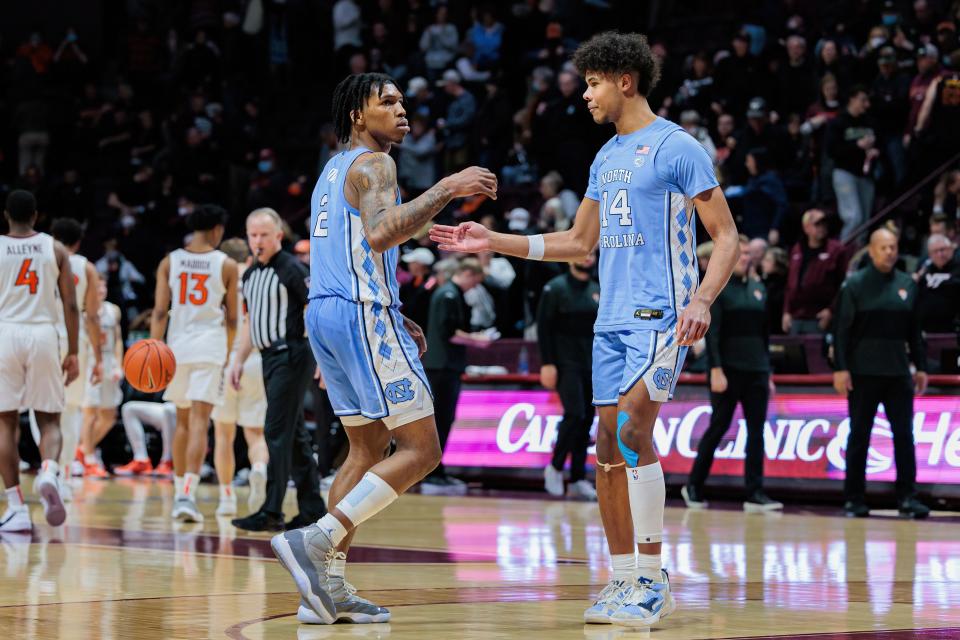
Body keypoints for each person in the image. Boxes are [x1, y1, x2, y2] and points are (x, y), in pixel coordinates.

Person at [431, 33, 739, 628]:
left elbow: (726, 236)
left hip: (663, 316)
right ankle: (623, 578)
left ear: (625, 81)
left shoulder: (679, 148)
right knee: (604, 450)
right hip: (611, 321)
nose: (585, 94)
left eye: (593, 83)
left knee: (629, 431)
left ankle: (653, 578)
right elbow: (578, 242)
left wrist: (703, 298)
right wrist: (494, 241)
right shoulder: (605, 157)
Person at [271, 72, 496, 626]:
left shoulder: (332, 168)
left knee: (365, 453)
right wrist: (448, 187)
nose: (402, 111)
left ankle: (324, 590)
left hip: (326, 314)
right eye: (386, 102)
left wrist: (399, 312)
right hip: (357, 313)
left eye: (402, 101)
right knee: (423, 449)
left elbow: (350, 249)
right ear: (356, 115)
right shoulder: (377, 164)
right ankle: (316, 541)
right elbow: (378, 234)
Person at [229, 209, 326, 532]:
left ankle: (271, 510)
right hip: (268, 358)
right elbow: (250, 322)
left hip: (294, 354)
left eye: (264, 235)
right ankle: (312, 508)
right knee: (295, 434)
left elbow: (314, 314)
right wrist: (238, 359)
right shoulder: (249, 275)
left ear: (278, 236)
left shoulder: (293, 269)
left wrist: (324, 359)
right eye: (252, 235)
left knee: (275, 430)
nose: (257, 241)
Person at [833, 229, 929, 519]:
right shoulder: (855, 285)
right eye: (884, 247)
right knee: (859, 435)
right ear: (872, 251)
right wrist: (840, 368)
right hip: (863, 373)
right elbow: (840, 331)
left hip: (898, 373)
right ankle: (854, 499)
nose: (890, 252)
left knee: (904, 435)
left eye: (893, 246)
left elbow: (915, 331)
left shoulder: (907, 284)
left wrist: (921, 366)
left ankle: (907, 498)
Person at [151, 204, 238, 523]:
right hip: (210, 347)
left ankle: (179, 495)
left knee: (183, 421)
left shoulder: (169, 261)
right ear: (216, 229)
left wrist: (154, 347)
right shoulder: (226, 263)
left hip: (176, 348)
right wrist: (228, 353)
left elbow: (160, 312)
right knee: (202, 422)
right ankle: (188, 492)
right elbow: (231, 318)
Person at [682, 237, 781, 512]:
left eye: (749, 254)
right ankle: (694, 485)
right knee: (719, 427)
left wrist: (768, 372)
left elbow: (764, 334)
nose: (746, 258)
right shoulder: (719, 290)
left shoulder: (758, 288)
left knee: (757, 431)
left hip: (757, 370)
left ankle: (755, 492)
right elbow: (712, 335)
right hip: (728, 370)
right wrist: (715, 369)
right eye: (741, 253)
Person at [0, 190, 80, 532]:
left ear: (7, 215)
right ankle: (49, 470)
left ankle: (16, 507)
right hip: (44, 334)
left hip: (6, 332)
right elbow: (71, 306)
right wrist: (73, 351)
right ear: (36, 216)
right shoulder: (55, 248)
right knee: (49, 420)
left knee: (5, 423)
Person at [421, 258, 490, 494]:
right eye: (475, 282)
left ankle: (436, 470)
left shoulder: (450, 293)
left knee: (443, 420)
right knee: (440, 420)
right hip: (442, 367)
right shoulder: (448, 295)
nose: (474, 287)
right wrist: (478, 340)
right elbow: (449, 333)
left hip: (446, 366)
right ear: (468, 273)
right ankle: (432, 472)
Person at [211, 238, 269, 517]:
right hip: (254, 360)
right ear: (247, 258)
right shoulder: (257, 283)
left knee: (223, 434)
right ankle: (258, 469)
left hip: (224, 360)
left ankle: (226, 498)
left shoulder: (219, 283)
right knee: (255, 434)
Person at [538, 252, 600, 501]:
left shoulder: (597, 288)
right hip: (565, 362)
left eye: (590, 255)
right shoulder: (555, 288)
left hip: (592, 363)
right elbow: (543, 328)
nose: (587, 258)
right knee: (575, 413)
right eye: (582, 254)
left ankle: (577, 478)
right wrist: (547, 363)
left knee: (587, 420)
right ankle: (554, 466)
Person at [49, 218, 102, 478]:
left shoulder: (41, 259)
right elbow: (92, 317)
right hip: (74, 339)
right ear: (78, 242)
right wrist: (99, 358)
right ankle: (66, 473)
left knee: (44, 410)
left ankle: (47, 466)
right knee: (70, 410)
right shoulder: (86, 267)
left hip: (42, 336)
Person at [77, 280, 123, 477]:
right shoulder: (83, 311)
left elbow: (118, 339)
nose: (101, 290)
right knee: (90, 413)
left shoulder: (113, 311)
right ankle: (89, 459)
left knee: (109, 416)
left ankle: (82, 448)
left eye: (104, 286)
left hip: (109, 361)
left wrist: (119, 364)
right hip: (90, 363)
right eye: (97, 287)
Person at [783, 209, 850, 334]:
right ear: (806, 227)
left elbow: (844, 285)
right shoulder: (796, 250)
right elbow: (789, 285)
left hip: (819, 317)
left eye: (824, 224)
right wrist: (786, 311)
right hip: (795, 317)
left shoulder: (836, 250)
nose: (822, 228)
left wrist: (831, 310)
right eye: (817, 224)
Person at [825, 86, 878, 241]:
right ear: (852, 99)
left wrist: (875, 151)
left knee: (865, 223)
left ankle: (856, 261)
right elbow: (831, 150)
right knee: (854, 217)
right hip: (845, 173)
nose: (866, 104)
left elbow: (880, 144)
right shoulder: (838, 122)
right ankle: (842, 256)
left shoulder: (870, 122)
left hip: (866, 176)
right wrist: (857, 146)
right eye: (863, 100)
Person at [115, 399, 177, 477]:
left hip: (189, 411)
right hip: (174, 406)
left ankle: (168, 461)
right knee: (129, 408)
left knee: (169, 409)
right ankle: (141, 460)